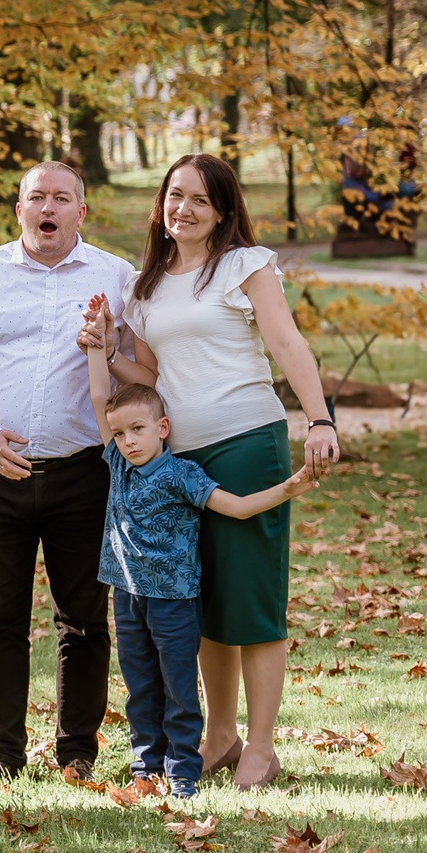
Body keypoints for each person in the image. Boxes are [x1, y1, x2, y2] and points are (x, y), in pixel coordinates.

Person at [99, 153, 340, 791]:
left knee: (252, 600)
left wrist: (320, 420)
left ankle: (261, 747)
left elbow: (287, 344)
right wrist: (103, 350)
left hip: (246, 443)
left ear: (224, 212)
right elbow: (149, 378)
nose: (184, 208)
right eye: (175, 195)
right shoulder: (143, 286)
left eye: (201, 200)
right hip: (181, 459)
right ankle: (221, 736)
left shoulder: (244, 266)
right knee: (198, 597)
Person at [0, 160, 137, 784]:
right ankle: (3, 756)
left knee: (84, 620)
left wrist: (110, 348)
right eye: (37, 197)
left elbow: (144, 369)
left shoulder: (115, 278)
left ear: (81, 211)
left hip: (85, 474)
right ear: (20, 210)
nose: (49, 208)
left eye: (62, 198)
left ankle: (76, 754)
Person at [82, 329, 316, 797]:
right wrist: (95, 344)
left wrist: (290, 488)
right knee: (140, 687)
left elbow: (238, 507)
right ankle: (145, 768)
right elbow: (97, 394)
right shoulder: (116, 462)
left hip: (174, 600)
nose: (128, 441)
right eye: (122, 432)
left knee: (179, 689)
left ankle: (183, 771)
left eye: (139, 430)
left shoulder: (183, 475)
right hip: (129, 596)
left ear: (162, 429)